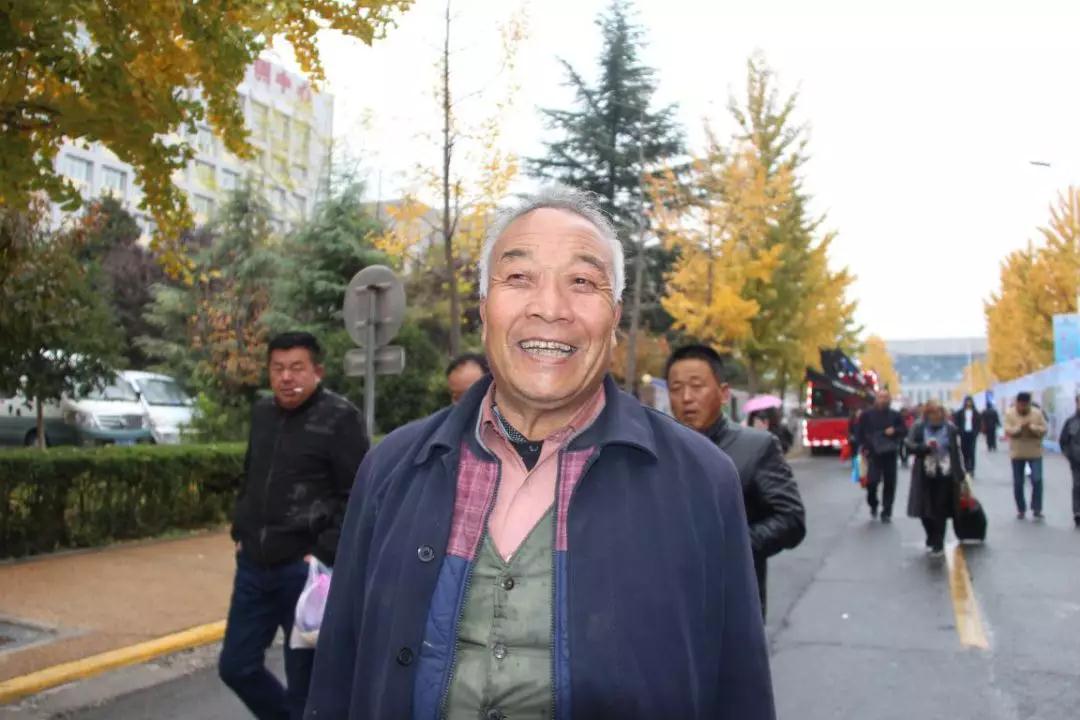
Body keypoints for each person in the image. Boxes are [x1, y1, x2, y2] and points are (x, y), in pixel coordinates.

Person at [305, 187, 775, 720]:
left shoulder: (700, 481)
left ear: (614, 319)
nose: (550, 308)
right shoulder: (392, 468)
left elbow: (739, 688)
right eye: (519, 277)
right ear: (484, 310)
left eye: (582, 282)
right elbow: (338, 674)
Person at [220, 332, 369, 720]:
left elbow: (359, 495)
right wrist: (241, 531)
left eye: (297, 368)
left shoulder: (341, 418)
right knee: (236, 666)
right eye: (278, 369)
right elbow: (252, 473)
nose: (286, 377)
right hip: (254, 566)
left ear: (317, 371)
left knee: (306, 684)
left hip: (305, 574)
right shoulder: (262, 414)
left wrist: (323, 552)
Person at [666, 345, 806, 617]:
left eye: (697, 386)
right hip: (667, 607)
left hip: (730, 607)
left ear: (723, 393)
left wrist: (732, 545)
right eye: (676, 388)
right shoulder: (657, 448)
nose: (686, 397)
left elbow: (791, 519)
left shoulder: (757, 447)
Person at [905, 401, 964, 557]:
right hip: (924, 471)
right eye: (931, 412)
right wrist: (924, 447)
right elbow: (909, 445)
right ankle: (931, 535)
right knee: (924, 508)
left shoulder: (950, 428)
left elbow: (956, 451)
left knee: (940, 508)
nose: (935, 415)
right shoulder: (919, 427)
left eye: (938, 412)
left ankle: (938, 542)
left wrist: (961, 474)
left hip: (945, 472)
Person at [857, 390, 907, 522]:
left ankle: (887, 511)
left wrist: (894, 431)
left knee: (890, 483)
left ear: (889, 399)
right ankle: (873, 503)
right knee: (872, 482)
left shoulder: (895, 415)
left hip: (890, 453)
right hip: (872, 454)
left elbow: (903, 430)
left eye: (886, 397)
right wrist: (863, 447)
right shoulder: (866, 415)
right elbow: (860, 432)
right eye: (881, 397)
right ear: (876, 399)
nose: (883, 400)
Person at [1004, 391, 1048, 520]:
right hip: (1017, 453)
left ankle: (1037, 508)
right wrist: (1020, 427)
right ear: (1017, 403)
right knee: (1018, 482)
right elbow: (1008, 430)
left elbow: (1044, 429)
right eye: (1021, 405)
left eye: (1025, 405)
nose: (1023, 407)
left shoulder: (1037, 413)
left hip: (1034, 452)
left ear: (1029, 403)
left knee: (1037, 480)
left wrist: (1032, 427)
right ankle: (1021, 509)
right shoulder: (1010, 413)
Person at [1057, 393, 1080, 528]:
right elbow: (1063, 441)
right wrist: (1070, 456)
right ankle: (1077, 512)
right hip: (1077, 461)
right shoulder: (1070, 422)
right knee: (1078, 486)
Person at [952, 396, 981, 476]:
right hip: (963, 434)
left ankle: (972, 468)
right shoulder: (960, 412)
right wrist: (959, 431)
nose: (968, 403)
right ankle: (966, 467)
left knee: (972, 451)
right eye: (967, 401)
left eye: (970, 401)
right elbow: (956, 422)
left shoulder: (976, 413)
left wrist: (976, 432)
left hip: (972, 435)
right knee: (964, 451)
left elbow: (978, 424)